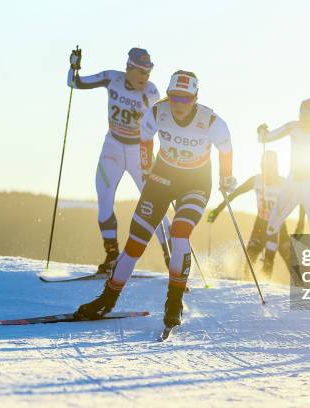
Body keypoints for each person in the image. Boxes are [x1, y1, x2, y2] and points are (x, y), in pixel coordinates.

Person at [74, 70, 236, 328]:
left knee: (180, 233)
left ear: (195, 98)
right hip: (162, 178)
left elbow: (225, 148)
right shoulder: (157, 112)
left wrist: (226, 178)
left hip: (195, 183)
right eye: (174, 97)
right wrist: (147, 168)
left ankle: (174, 304)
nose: (179, 105)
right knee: (136, 241)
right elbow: (145, 138)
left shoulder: (212, 121)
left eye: (185, 99)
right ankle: (106, 300)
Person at [67, 47, 171, 274]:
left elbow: (159, 126)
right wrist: (74, 66)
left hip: (138, 152)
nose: (145, 77)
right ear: (129, 68)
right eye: (141, 72)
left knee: (157, 205)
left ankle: (171, 260)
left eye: (149, 72)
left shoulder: (152, 93)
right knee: (104, 198)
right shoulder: (111, 78)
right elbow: (75, 84)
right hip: (112, 147)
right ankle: (112, 255)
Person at [257, 99, 310, 274]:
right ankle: (267, 268)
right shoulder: (293, 127)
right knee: (272, 225)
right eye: (303, 115)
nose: (305, 120)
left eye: (308, 117)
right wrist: (261, 131)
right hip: (293, 183)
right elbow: (265, 138)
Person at [206, 150, 305, 278]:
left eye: (270, 167)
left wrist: (300, 223)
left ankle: (302, 288)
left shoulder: (284, 184)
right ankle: (252, 285)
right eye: (264, 167)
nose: (267, 171)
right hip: (260, 225)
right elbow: (235, 194)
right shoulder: (256, 180)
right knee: (249, 261)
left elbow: (302, 200)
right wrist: (217, 210)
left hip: (279, 226)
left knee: (287, 259)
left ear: (276, 167)